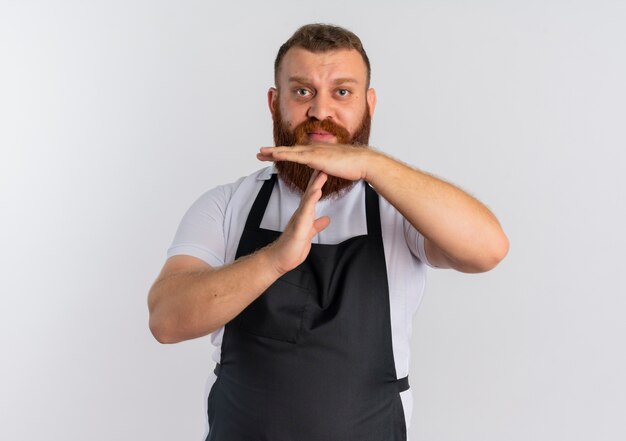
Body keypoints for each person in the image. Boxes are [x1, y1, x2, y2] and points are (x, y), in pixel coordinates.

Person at [148, 23, 508, 441]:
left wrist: (370, 164)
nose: (321, 111)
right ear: (274, 102)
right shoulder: (227, 205)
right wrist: (274, 258)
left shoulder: (399, 209)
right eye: (302, 91)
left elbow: (489, 249)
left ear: (369, 105)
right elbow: (165, 321)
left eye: (342, 92)